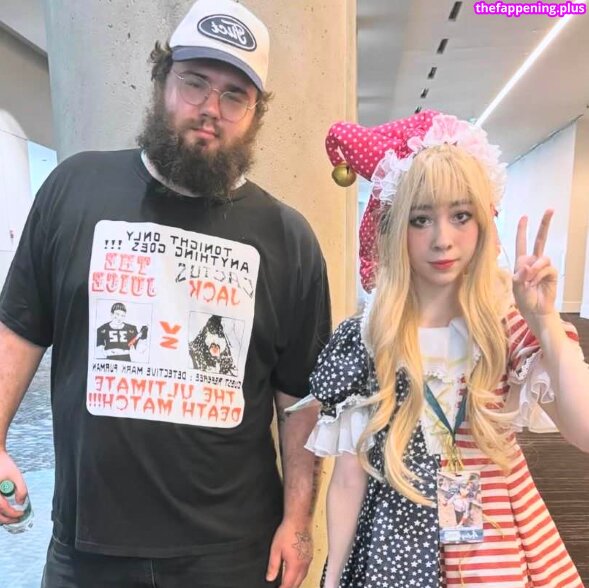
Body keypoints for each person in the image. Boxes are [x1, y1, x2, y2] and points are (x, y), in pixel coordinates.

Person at [0, 0, 330, 586]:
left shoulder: (288, 238)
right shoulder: (75, 190)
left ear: (255, 114)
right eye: (194, 82)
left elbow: (300, 401)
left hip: (232, 555)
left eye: (234, 96)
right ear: (162, 81)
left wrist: (299, 522)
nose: (210, 109)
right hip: (89, 549)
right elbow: (18, 330)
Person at [299, 111, 589, 587]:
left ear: (483, 221)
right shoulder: (367, 337)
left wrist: (546, 324)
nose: (442, 240)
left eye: (460, 215)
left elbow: (583, 431)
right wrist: (332, 580)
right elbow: (349, 475)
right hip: (395, 551)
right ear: (395, 227)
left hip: (497, 547)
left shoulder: (502, 325)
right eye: (421, 219)